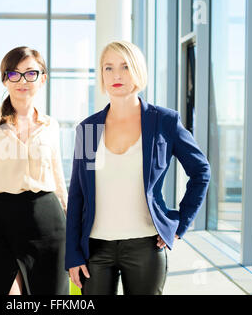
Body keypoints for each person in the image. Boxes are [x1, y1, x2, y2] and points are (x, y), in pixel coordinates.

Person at [65, 40, 211, 295]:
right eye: (108, 68)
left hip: (146, 246)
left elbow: (201, 172)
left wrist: (180, 223)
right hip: (95, 249)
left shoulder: (164, 121)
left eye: (125, 66)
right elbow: (77, 195)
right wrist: (73, 254)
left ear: (138, 71)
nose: (116, 75)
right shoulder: (88, 130)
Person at [0, 46, 69, 295]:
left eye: (31, 73)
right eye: (14, 74)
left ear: (43, 78)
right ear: (4, 79)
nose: (23, 81)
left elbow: (59, 182)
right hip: (5, 225)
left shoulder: (51, 126)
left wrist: (75, 232)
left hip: (50, 226)